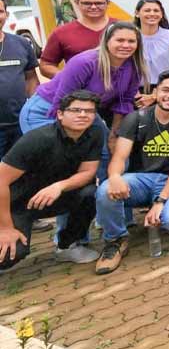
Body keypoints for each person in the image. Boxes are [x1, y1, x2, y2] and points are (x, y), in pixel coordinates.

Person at [94, 71, 169, 275]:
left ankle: (162, 212)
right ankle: (115, 240)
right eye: (166, 90)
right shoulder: (136, 118)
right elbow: (119, 156)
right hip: (140, 179)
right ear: (155, 92)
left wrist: (160, 201)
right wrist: (115, 176)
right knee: (105, 190)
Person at [20, 22, 148, 182]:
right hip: (47, 111)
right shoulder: (85, 62)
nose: (125, 45)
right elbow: (62, 101)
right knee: (59, 159)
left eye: (131, 41)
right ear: (107, 41)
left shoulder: (134, 66)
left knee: (112, 154)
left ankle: (107, 199)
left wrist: (114, 134)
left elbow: (124, 102)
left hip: (85, 112)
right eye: (120, 40)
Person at [0, 90, 103, 270]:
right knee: (10, 254)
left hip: (50, 198)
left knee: (92, 193)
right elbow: (1, 181)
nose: (83, 115)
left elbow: (88, 171)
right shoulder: (38, 139)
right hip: (15, 204)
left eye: (89, 111)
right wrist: (6, 228)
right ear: (60, 114)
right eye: (76, 110)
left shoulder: (94, 133)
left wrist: (59, 186)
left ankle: (66, 247)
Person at [38, 0, 115, 78]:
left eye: (99, 3)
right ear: (77, 3)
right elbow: (46, 65)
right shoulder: (61, 33)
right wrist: (68, 78)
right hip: (81, 90)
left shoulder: (123, 29)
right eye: (87, 3)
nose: (94, 7)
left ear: (108, 3)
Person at [0, 0, 39, 158]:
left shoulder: (21, 43)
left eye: (0, 11)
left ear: (6, 15)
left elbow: (31, 78)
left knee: (20, 170)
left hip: (19, 124)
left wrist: (33, 111)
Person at [133, 0, 169, 109]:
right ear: (137, 13)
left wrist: (155, 94)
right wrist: (135, 94)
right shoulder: (131, 36)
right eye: (147, 10)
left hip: (166, 90)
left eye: (156, 11)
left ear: (161, 14)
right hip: (134, 91)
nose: (152, 14)